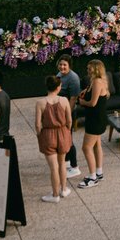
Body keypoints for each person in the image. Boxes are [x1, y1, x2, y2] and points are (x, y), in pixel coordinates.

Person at [35, 75, 72, 203]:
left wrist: (40, 134)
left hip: (48, 134)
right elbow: (69, 120)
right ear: (58, 87)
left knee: (53, 167)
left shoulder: (40, 103)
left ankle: (55, 195)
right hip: (62, 133)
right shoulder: (64, 100)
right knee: (62, 163)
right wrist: (66, 131)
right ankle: (64, 189)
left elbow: (38, 124)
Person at [77, 58, 109, 188]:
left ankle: (92, 177)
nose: (87, 70)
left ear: (96, 69)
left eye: (90, 68)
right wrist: (86, 91)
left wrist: (82, 102)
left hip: (95, 119)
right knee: (97, 146)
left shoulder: (96, 82)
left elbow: (93, 103)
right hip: (98, 118)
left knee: (86, 147)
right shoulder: (96, 81)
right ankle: (99, 172)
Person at [56, 54, 83, 178]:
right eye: (61, 64)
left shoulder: (73, 78)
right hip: (59, 111)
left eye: (64, 65)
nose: (62, 67)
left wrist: (68, 116)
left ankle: (75, 166)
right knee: (62, 139)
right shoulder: (59, 75)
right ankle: (66, 162)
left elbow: (73, 99)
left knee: (68, 139)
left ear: (69, 66)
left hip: (68, 112)